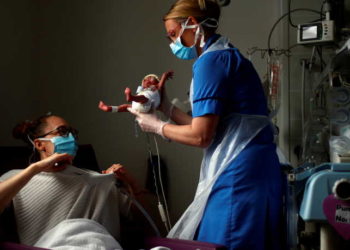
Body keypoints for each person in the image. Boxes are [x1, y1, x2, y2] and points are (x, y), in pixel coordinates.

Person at [128, 0, 283, 249]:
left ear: (193, 24)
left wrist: (156, 126)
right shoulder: (228, 55)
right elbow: (213, 126)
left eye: (173, 34)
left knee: (226, 242)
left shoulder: (210, 63)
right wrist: (166, 108)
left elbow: (201, 136)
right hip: (255, 168)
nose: (173, 43)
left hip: (238, 173)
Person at [0, 113, 144, 249]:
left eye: (72, 133)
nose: (70, 138)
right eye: (62, 131)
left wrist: (132, 185)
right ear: (39, 144)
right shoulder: (17, 178)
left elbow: (146, 223)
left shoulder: (98, 180)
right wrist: (34, 169)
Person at [99, 70, 174, 113]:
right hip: (138, 106)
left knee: (144, 99)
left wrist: (165, 75)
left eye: (150, 78)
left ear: (156, 82)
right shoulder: (143, 90)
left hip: (146, 105)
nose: (146, 80)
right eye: (145, 80)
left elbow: (161, 83)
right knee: (124, 107)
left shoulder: (156, 88)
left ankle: (131, 97)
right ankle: (109, 108)